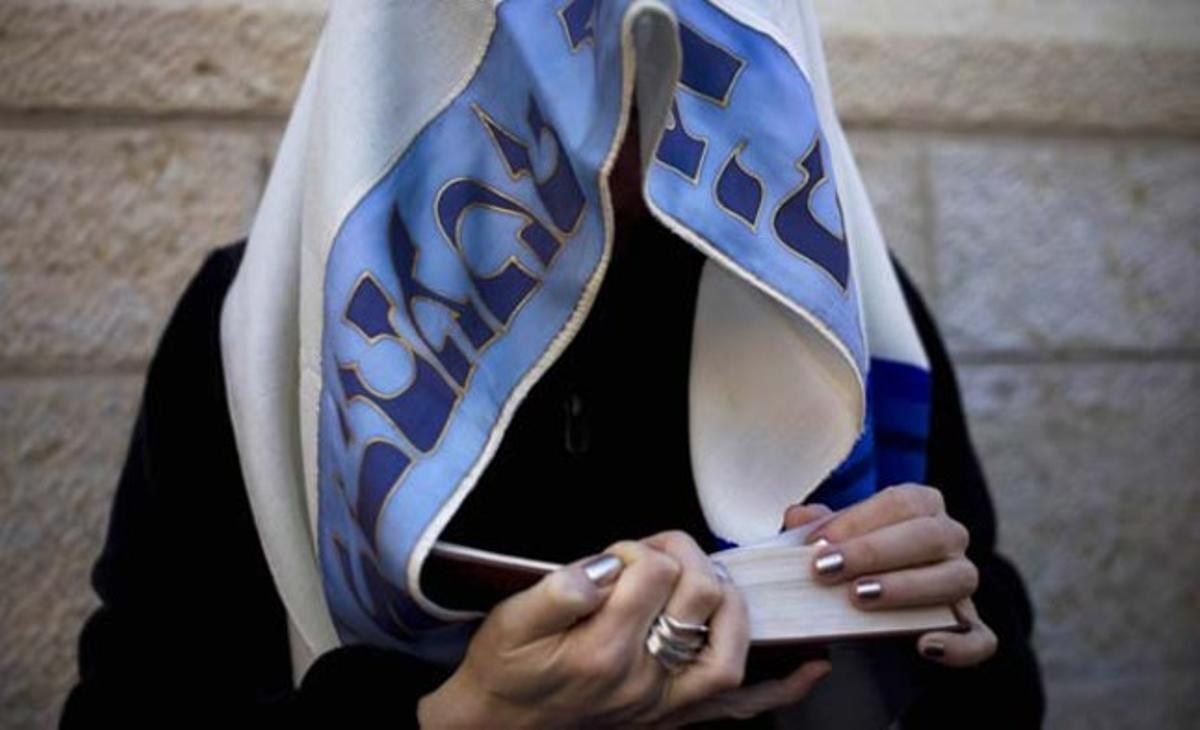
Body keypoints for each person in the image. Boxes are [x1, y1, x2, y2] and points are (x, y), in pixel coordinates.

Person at [62, 1, 1044, 727]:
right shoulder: (265, 333)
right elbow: (135, 701)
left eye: (671, 56)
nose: (619, 121)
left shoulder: (837, 314)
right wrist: (460, 716)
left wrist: (950, 638)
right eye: (566, 65)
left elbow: (1002, 676)